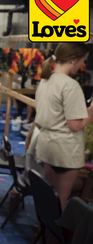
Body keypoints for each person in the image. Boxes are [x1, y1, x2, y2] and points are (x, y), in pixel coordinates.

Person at [35, 43, 93, 210]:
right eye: (83, 60)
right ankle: (55, 234)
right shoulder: (70, 85)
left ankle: (43, 229)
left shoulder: (46, 81)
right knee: (61, 198)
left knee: (49, 194)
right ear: (73, 60)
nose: (83, 65)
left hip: (47, 145)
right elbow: (75, 125)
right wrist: (90, 110)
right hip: (65, 149)